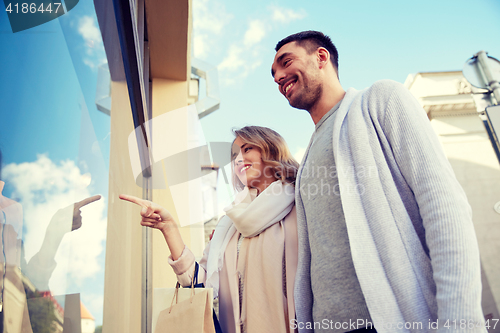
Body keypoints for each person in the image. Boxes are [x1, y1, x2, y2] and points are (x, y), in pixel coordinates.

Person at [271, 31, 485, 333]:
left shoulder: (380, 99)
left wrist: (459, 322)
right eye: (273, 72)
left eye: (285, 62)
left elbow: (444, 206)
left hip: (390, 322)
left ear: (321, 57)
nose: (278, 76)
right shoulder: (306, 159)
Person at [120, 126, 300, 333]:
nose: (239, 158)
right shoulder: (230, 223)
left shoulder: (300, 204)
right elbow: (198, 283)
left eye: (247, 149)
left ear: (271, 149)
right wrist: (169, 228)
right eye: (234, 155)